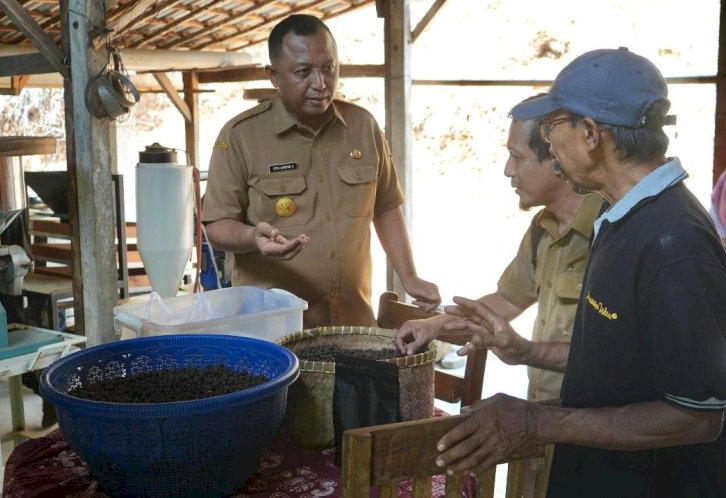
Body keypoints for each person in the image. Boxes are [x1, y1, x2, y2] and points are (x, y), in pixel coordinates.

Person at [434, 48, 726, 497]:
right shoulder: (620, 217)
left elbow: (697, 415)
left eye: (552, 128)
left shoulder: (674, 244)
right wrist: (528, 368)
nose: (548, 143)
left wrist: (539, 421)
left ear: (590, 134)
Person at [395, 98, 605, 496]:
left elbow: (621, 359)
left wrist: (525, 351)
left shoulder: (610, 233)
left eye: (516, 157)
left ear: (557, 159)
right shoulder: (543, 229)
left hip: (598, 435)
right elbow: (504, 303)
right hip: (541, 426)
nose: (508, 170)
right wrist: (435, 324)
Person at [202, 14, 440, 328]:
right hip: (277, 334)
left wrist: (408, 276)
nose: (320, 83)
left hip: (353, 326)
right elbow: (217, 225)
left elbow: (386, 206)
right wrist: (250, 237)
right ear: (273, 75)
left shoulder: (363, 127)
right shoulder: (241, 136)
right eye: (303, 72)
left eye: (328, 68)